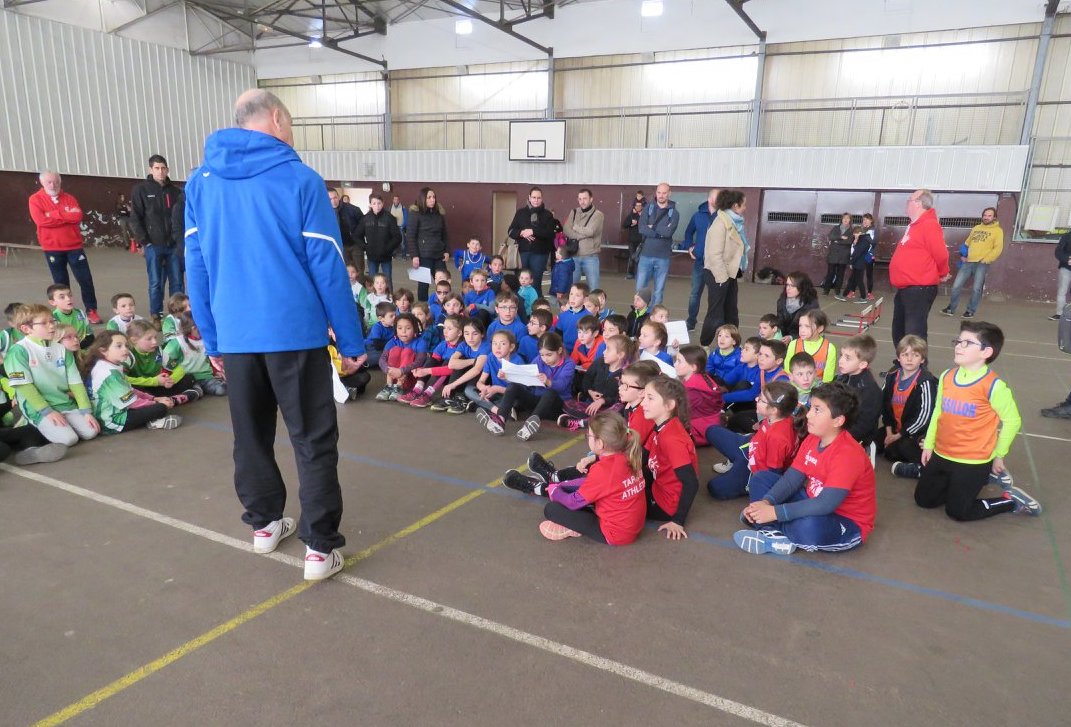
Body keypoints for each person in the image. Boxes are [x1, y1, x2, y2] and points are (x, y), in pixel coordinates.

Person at [184, 89, 364, 581]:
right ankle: (319, 547)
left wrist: (213, 339)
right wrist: (350, 343)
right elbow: (327, 264)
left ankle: (264, 524)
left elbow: (195, 268)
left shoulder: (200, 184)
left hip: (237, 340)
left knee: (250, 436)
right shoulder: (301, 180)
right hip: (295, 335)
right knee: (313, 440)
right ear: (279, 119)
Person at [915, 321, 1040, 520]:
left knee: (957, 512)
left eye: (967, 343)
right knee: (924, 500)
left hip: (973, 460)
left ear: (986, 352)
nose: (958, 345)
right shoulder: (947, 376)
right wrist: (929, 445)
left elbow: (1012, 421)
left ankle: (1010, 500)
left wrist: (999, 454)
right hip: (942, 453)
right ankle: (976, 481)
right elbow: (938, 412)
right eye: (958, 340)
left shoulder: (994, 386)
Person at [735, 381, 877, 555]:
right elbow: (792, 479)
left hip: (844, 521)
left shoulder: (848, 455)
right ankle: (774, 533)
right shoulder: (813, 438)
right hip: (812, 501)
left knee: (808, 526)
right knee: (761, 478)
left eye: (817, 410)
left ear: (838, 420)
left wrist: (775, 513)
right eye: (811, 407)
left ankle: (770, 527)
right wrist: (766, 502)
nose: (808, 415)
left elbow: (826, 504)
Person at [502, 411, 647, 544]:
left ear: (600, 443)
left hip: (615, 534)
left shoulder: (603, 470)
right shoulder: (628, 454)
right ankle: (550, 480)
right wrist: (564, 485)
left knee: (552, 509)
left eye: (588, 436)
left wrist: (555, 492)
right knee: (573, 488)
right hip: (632, 526)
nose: (587, 438)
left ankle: (540, 488)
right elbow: (595, 484)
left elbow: (573, 502)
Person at [4, 304, 101, 447]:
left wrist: (86, 410)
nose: (51, 326)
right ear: (26, 329)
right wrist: (47, 411)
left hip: (63, 402)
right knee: (69, 439)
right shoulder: (18, 351)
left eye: (52, 321)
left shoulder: (62, 349)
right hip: (37, 407)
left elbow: (76, 383)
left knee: (90, 432)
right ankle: (29, 440)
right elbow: (24, 386)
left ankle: (46, 432)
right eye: (44, 323)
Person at [28, 171, 102, 324]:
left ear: (60, 182)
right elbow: (41, 221)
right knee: (60, 284)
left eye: (55, 181)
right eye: (49, 182)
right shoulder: (35, 199)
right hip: (52, 248)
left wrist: (52, 214)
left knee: (85, 280)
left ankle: (91, 310)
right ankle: (65, 313)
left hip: (74, 247)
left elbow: (77, 216)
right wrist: (64, 214)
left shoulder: (69, 198)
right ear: (42, 183)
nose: (53, 185)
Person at [706, 381, 801, 500]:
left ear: (774, 410)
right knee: (712, 431)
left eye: (761, 400)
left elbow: (772, 472)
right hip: (750, 446)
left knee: (714, 488)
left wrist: (760, 489)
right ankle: (734, 462)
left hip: (754, 468)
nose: (756, 399)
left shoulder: (778, 438)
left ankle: (747, 484)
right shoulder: (777, 417)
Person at [640, 377, 700, 540]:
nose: (642, 403)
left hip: (666, 504)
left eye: (650, 398)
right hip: (657, 485)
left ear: (669, 405)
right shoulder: (661, 426)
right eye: (644, 397)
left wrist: (678, 521)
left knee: (613, 500)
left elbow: (691, 482)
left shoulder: (672, 439)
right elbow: (641, 458)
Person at [889, 189, 951, 349]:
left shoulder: (929, 225)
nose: (907, 202)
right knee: (899, 330)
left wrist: (943, 273)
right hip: (905, 288)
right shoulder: (914, 225)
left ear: (918, 203)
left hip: (919, 289)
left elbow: (941, 254)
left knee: (914, 333)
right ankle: (903, 363)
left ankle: (918, 370)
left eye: (909, 199)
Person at [88, 331, 182, 433]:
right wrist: (156, 402)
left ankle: (152, 417)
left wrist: (154, 398)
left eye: (126, 346)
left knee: (153, 400)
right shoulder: (108, 374)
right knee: (160, 408)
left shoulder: (111, 365)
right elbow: (132, 403)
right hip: (113, 421)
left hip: (122, 408)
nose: (125, 349)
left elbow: (131, 390)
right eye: (119, 346)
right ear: (103, 351)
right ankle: (153, 421)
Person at [130, 154, 184, 321]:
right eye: (157, 168)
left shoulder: (176, 192)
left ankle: (178, 315)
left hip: (173, 245)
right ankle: (157, 315)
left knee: (177, 282)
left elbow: (181, 217)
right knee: (155, 283)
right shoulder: (141, 190)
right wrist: (144, 242)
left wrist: (180, 242)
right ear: (150, 170)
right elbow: (135, 218)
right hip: (153, 245)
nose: (160, 172)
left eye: (163, 168)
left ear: (167, 169)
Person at [883, 334, 938, 479]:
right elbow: (885, 404)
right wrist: (889, 431)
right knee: (878, 440)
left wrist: (898, 436)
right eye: (905, 354)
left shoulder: (925, 382)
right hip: (896, 427)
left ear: (922, 360)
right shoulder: (892, 375)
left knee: (902, 447)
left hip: (917, 432)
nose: (909, 359)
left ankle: (923, 468)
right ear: (899, 357)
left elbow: (924, 417)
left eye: (915, 355)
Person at [699, 189, 748, 347]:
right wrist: (722, 279)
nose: (745, 207)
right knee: (716, 314)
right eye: (743, 204)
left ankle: (733, 344)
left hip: (730, 274)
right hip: (717, 274)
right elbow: (714, 255)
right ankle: (704, 345)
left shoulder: (734, 223)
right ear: (735, 205)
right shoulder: (720, 224)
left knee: (731, 313)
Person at [940, 207, 1003, 319]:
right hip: (968, 262)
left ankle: (970, 311)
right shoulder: (976, 228)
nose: (986, 217)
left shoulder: (998, 231)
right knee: (956, 286)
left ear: (994, 217)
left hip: (982, 263)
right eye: (985, 215)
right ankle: (951, 309)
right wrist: (964, 255)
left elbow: (998, 249)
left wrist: (986, 260)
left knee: (976, 289)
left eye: (989, 215)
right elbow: (967, 244)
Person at [833, 334, 882, 447]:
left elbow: (863, 426)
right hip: (838, 428)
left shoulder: (870, 391)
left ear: (862, 364)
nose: (841, 361)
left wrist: (836, 436)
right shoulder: (842, 378)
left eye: (847, 358)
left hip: (856, 440)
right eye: (841, 355)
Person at [635, 182, 679, 306]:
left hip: (663, 258)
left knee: (658, 291)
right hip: (645, 255)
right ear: (656, 193)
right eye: (659, 192)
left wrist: (652, 227)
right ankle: (639, 314)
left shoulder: (674, 214)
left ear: (669, 194)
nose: (661, 195)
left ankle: (654, 319)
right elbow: (642, 229)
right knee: (640, 289)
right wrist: (660, 230)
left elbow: (669, 232)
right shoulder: (647, 209)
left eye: (664, 193)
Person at [507, 187, 557, 295]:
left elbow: (550, 234)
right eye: (534, 197)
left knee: (536, 283)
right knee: (520, 282)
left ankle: (536, 309)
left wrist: (532, 231)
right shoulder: (520, 213)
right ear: (529, 198)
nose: (536, 200)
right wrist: (521, 233)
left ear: (542, 199)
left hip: (540, 254)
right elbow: (511, 231)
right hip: (522, 253)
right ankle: (519, 307)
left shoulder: (547, 215)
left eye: (538, 198)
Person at [682, 189, 719, 331]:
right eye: (715, 198)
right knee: (694, 294)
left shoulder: (723, 217)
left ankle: (713, 324)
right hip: (699, 263)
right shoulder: (698, 216)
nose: (717, 201)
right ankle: (691, 322)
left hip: (716, 265)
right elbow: (688, 232)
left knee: (714, 297)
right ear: (709, 199)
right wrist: (690, 247)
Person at [406, 186, 450, 301]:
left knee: (443, 283)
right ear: (423, 199)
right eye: (429, 197)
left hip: (439, 255)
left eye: (434, 197)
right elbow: (411, 236)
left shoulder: (439, 214)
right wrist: (414, 256)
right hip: (423, 256)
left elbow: (444, 234)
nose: (432, 200)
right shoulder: (415, 214)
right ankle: (423, 307)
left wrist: (446, 251)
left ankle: (444, 305)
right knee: (423, 285)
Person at [562, 188, 605, 290]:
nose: (582, 201)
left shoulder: (598, 215)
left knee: (594, 290)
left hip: (590, 257)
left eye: (585, 198)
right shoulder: (573, 212)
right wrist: (580, 235)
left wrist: (576, 227)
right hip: (573, 256)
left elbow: (591, 231)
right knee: (572, 289)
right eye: (580, 199)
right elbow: (566, 229)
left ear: (591, 199)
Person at [355, 192, 402, 285]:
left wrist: (387, 249)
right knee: (373, 281)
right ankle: (373, 299)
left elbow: (397, 237)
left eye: (379, 203)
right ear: (370, 204)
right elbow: (356, 235)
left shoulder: (389, 218)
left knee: (387, 280)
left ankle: (389, 298)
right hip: (371, 256)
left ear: (383, 203)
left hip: (386, 256)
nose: (377, 206)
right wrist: (365, 247)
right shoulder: (365, 219)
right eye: (374, 203)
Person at [775, 272, 819, 342]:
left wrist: (791, 337)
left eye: (792, 286)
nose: (788, 288)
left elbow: (811, 330)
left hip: (804, 341)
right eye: (787, 285)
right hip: (783, 339)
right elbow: (780, 323)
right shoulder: (781, 301)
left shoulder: (811, 305)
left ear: (801, 287)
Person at [328, 187, 364, 271]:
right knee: (346, 271)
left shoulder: (353, 209)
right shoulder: (325, 212)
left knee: (359, 271)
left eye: (335, 198)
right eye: (330, 199)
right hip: (340, 246)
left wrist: (360, 241)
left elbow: (363, 226)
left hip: (355, 245)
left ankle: (360, 284)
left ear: (339, 196)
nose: (333, 201)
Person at [822, 213, 853, 296]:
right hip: (833, 255)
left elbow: (849, 241)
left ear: (850, 220)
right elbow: (831, 237)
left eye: (847, 218)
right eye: (844, 218)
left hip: (843, 256)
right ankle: (826, 290)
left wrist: (836, 241)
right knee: (830, 273)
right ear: (841, 219)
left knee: (840, 274)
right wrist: (841, 237)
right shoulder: (836, 228)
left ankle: (837, 291)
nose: (846, 220)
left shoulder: (851, 230)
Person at [1050, 227, 1071, 321]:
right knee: (1062, 290)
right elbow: (1058, 251)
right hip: (1066, 267)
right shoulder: (1066, 236)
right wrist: (1067, 259)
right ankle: (1060, 313)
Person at [622, 199, 644, 279]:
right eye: (637, 206)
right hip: (632, 240)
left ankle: (639, 275)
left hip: (641, 241)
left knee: (640, 258)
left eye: (640, 206)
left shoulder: (644, 215)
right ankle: (630, 274)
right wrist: (631, 223)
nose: (638, 207)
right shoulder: (631, 215)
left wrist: (637, 222)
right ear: (634, 206)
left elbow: (647, 224)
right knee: (632, 257)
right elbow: (624, 225)